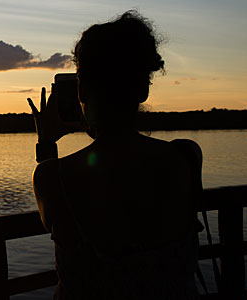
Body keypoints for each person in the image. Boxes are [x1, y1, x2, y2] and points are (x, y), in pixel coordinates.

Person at [27, 11, 202, 299]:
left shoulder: (52, 177)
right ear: (144, 88)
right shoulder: (186, 157)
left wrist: (46, 143)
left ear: (81, 89)